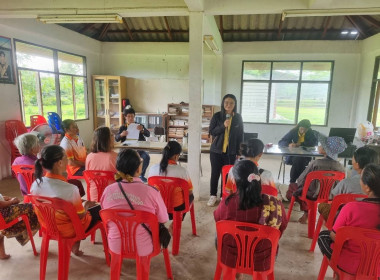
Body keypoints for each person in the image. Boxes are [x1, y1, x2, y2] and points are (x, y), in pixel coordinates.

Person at [214, 160, 288, 279]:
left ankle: (236, 273)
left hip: (231, 256)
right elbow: (281, 228)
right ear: (257, 178)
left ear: (235, 182)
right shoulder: (274, 204)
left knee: (218, 235)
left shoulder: (227, 203)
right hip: (262, 258)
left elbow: (217, 220)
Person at [100, 149, 168, 263]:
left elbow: (105, 216)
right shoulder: (151, 192)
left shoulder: (108, 191)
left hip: (115, 246)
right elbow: (163, 219)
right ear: (138, 169)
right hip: (143, 248)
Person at [30, 145, 99, 256]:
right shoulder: (70, 189)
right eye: (66, 158)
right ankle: (78, 246)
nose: (68, 160)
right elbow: (80, 216)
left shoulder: (36, 184)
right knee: (98, 210)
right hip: (69, 230)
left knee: (75, 209)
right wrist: (86, 204)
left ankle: (75, 247)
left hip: (48, 226)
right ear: (60, 163)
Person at [318, 163, 380, 278]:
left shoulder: (351, 208)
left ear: (367, 187)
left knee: (323, 236)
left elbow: (335, 236)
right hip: (377, 268)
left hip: (349, 264)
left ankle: (337, 273)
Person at [287, 135, 346, 224]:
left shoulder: (315, 163)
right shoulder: (341, 167)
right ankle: (310, 212)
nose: (318, 146)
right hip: (330, 196)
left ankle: (306, 211)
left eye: (321, 145)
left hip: (312, 194)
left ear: (325, 150)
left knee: (293, 188)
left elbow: (300, 179)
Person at [318, 146, 377, 220]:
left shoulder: (346, 183)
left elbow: (334, 198)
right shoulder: (376, 181)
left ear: (357, 164)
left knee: (323, 206)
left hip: (346, 219)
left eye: (353, 157)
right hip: (373, 220)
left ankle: (329, 228)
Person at [208, 94, 244, 206]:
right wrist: (223, 126)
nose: (228, 105)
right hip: (216, 151)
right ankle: (213, 195)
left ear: (235, 104)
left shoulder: (238, 118)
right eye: (226, 102)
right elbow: (212, 132)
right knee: (215, 173)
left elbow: (240, 136)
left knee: (228, 174)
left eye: (231, 103)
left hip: (231, 152)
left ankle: (224, 195)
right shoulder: (217, 116)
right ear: (223, 103)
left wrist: (239, 152)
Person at [148, 141, 194, 224]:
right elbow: (189, 191)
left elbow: (150, 190)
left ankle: (160, 224)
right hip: (176, 209)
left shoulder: (153, 169)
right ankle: (176, 222)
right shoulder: (182, 171)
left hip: (157, 208)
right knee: (191, 196)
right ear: (176, 156)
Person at [115, 107, 150, 182]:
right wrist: (121, 135)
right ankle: (126, 175)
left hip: (139, 148)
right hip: (126, 150)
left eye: (132, 116)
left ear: (134, 116)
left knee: (146, 157)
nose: (131, 118)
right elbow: (116, 138)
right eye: (128, 116)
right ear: (125, 117)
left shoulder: (139, 125)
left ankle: (141, 175)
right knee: (123, 159)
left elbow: (148, 134)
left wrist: (142, 130)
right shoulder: (123, 127)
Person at [0, 194, 39, 259]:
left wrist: (5, 198)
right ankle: (27, 234)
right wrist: (11, 202)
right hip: (3, 217)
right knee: (31, 207)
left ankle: (2, 254)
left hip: (2, 216)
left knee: (23, 207)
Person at [278, 119, 318, 184]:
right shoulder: (293, 131)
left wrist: (301, 144)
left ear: (308, 129)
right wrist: (289, 144)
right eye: (301, 129)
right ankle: (301, 181)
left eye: (305, 129)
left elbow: (314, 143)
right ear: (299, 127)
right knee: (299, 160)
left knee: (299, 160)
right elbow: (281, 142)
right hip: (292, 156)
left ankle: (292, 181)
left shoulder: (311, 133)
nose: (303, 131)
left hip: (306, 156)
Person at [85, 126, 117, 201]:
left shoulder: (89, 157)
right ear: (107, 139)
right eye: (111, 135)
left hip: (94, 197)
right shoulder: (115, 157)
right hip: (112, 197)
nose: (113, 136)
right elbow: (121, 178)